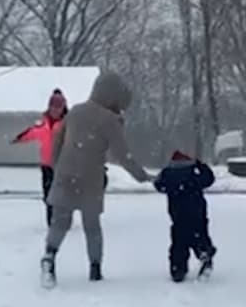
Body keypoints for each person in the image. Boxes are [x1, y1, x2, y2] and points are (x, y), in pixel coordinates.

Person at [41, 71, 150, 286]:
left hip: (65, 174)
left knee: (60, 222)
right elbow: (122, 155)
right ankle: (95, 268)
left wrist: (57, 168)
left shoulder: (74, 112)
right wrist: (142, 176)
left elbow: (57, 143)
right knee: (92, 226)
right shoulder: (109, 120)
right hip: (90, 178)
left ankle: (49, 256)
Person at [153, 150, 217, 282]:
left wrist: (165, 172)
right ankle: (204, 253)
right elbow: (209, 179)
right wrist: (201, 166)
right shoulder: (193, 174)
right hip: (197, 213)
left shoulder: (168, 175)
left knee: (179, 244)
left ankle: (178, 269)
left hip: (178, 216)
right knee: (200, 236)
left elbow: (158, 184)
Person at [12, 89, 69, 226]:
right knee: (49, 196)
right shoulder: (43, 126)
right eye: (53, 107)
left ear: (63, 109)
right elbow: (31, 133)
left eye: (58, 108)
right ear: (49, 108)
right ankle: (52, 222)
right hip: (47, 166)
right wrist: (19, 138)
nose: (55, 111)